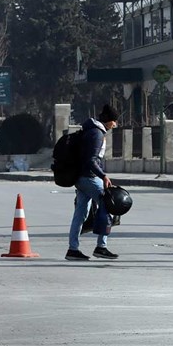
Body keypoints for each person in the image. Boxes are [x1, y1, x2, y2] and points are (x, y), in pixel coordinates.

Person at [66, 104, 119, 261]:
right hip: (88, 177)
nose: (115, 125)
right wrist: (103, 176)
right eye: (114, 121)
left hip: (80, 177)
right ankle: (101, 247)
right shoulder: (97, 134)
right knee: (108, 204)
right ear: (109, 121)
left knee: (80, 214)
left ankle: (72, 249)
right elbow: (91, 160)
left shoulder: (89, 130)